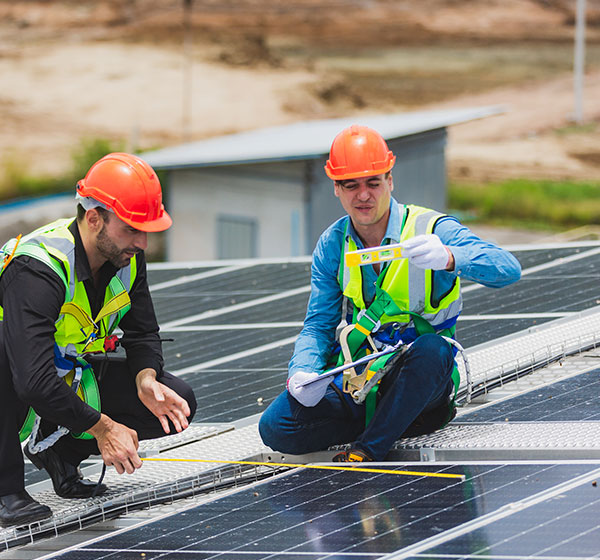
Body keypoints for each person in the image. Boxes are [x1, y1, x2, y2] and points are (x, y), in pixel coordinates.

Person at [259, 124, 521, 462]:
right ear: (336, 190)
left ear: (390, 181)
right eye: (350, 185)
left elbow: (507, 268)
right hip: (362, 378)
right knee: (276, 427)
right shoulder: (332, 244)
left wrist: (451, 257)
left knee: (433, 349)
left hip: (422, 376)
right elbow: (318, 325)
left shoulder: (432, 229)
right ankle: (392, 422)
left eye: (373, 182)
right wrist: (304, 371)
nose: (363, 195)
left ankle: (370, 448)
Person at [0, 153, 196, 528]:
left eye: (147, 230)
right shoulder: (38, 268)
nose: (142, 242)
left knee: (178, 403)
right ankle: (5, 490)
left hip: (56, 373)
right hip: (15, 376)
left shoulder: (126, 258)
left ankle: (59, 451)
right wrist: (103, 428)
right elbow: (31, 379)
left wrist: (146, 380)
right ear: (94, 219)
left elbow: (143, 332)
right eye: (131, 229)